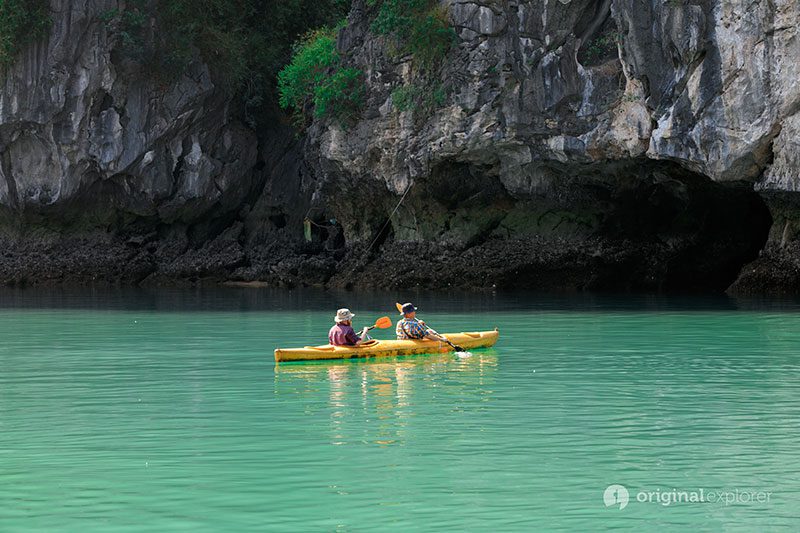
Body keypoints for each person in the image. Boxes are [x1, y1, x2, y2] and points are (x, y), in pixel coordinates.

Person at [395, 302, 462, 350]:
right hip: (411, 344)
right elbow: (427, 335)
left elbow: (411, 329)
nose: (414, 312)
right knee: (430, 332)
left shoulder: (399, 322)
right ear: (409, 314)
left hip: (401, 341)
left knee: (429, 331)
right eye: (413, 311)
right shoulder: (415, 325)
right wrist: (442, 339)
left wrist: (419, 324)